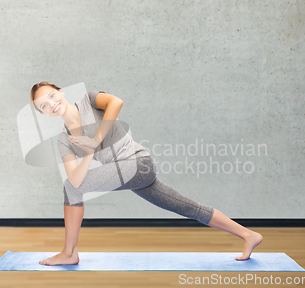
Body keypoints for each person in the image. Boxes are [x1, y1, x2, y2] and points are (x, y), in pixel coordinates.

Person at [30, 81, 263, 266]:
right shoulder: (64, 140)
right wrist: (89, 153)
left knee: (71, 189)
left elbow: (116, 102)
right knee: (187, 207)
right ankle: (249, 235)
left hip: (138, 164)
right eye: (43, 106)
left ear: (60, 91)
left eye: (51, 96)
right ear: (45, 114)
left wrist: (95, 140)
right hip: (131, 174)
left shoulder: (89, 100)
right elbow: (76, 179)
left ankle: (69, 253)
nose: (51, 104)